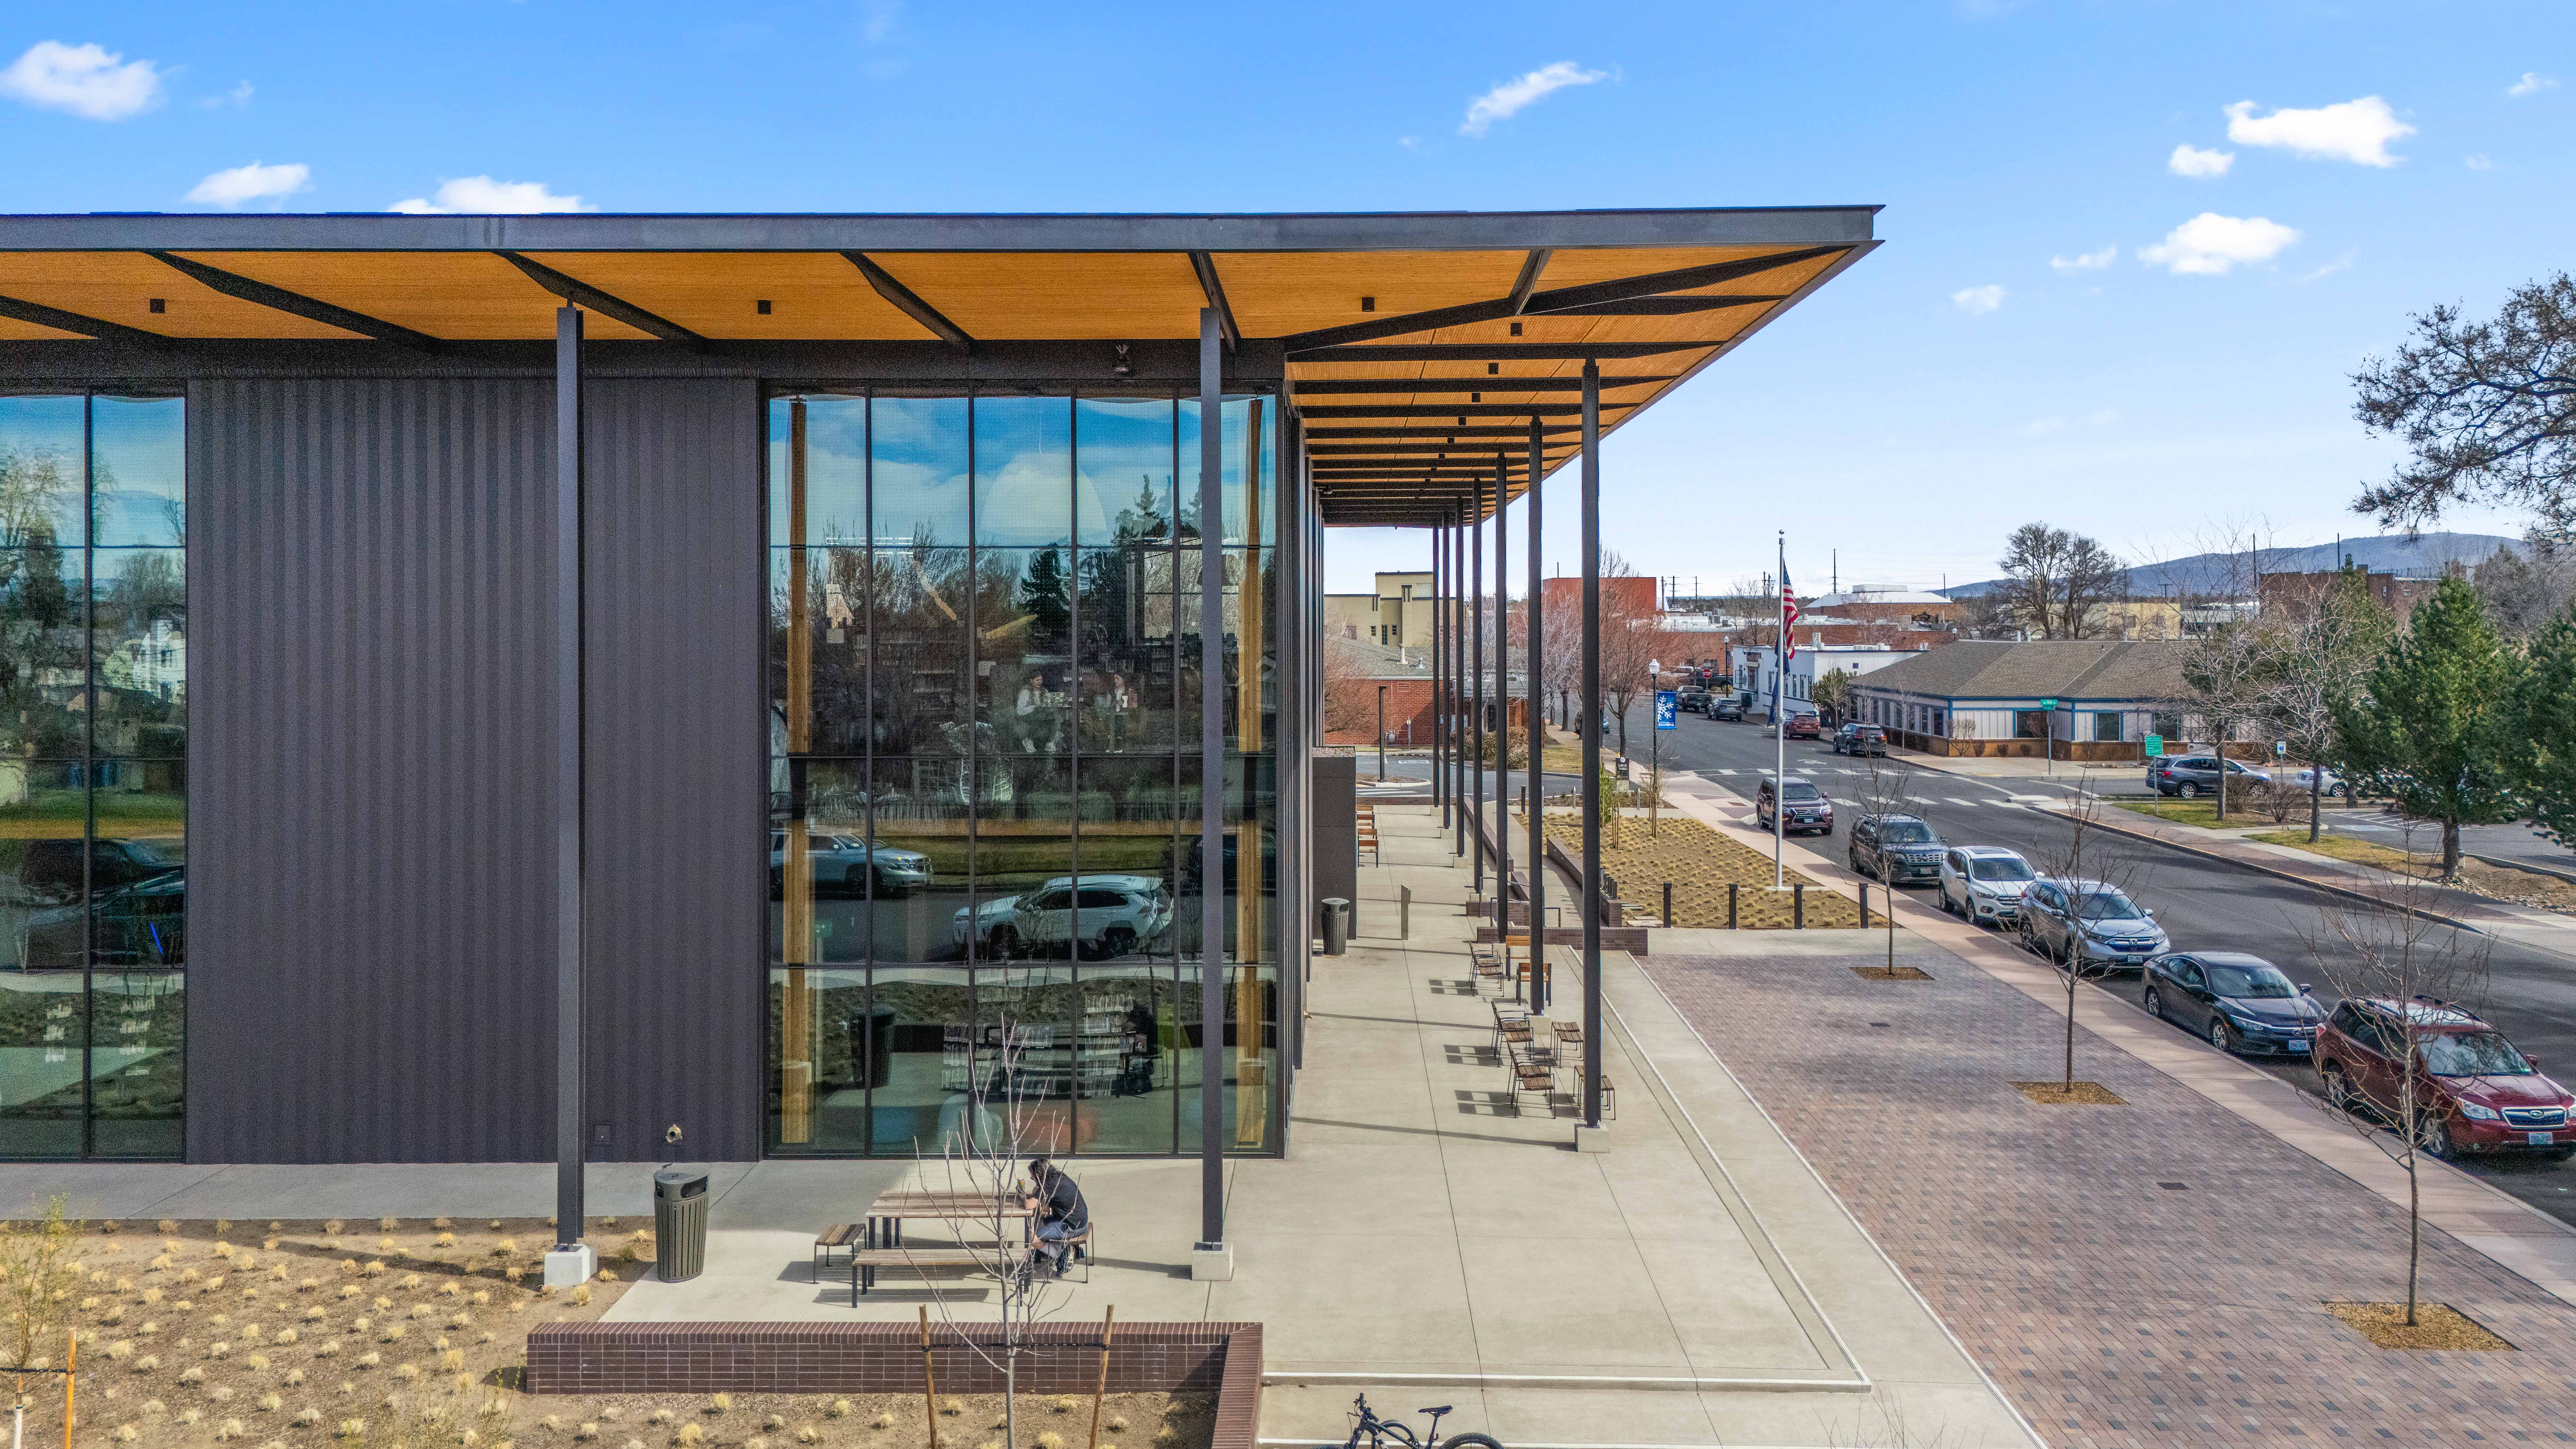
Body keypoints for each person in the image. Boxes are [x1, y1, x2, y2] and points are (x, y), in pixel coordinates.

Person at [1023, 1157, 1089, 1277]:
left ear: (1038, 1175)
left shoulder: (1048, 1185)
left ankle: (1062, 1254)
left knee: (1033, 1239)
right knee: (1039, 1223)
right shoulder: (1059, 1177)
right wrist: (1038, 1192)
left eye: (1032, 1176)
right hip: (1079, 1220)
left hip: (1071, 1226)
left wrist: (1022, 1197)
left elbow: (1030, 1205)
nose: (1031, 1178)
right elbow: (1046, 1209)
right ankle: (1058, 1249)